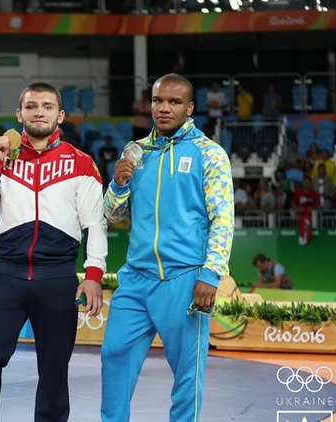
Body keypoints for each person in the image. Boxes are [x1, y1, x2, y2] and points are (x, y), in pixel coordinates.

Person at [0, 82, 108, 422]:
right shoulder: (2, 159)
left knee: (54, 370)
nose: (39, 112)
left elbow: (95, 225)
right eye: (31, 106)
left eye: (47, 106)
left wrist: (93, 276)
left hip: (58, 279)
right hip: (7, 276)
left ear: (60, 115)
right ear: (19, 114)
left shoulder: (81, 163)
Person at [101, 73, 234, 422]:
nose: (164, 108)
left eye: (174, 102)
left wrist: (210, 274)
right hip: (135, 280)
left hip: (185, 280)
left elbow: (222, 218)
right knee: (114, 354)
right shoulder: (136, 151)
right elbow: (111, 215)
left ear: (189, 108)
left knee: (187, 376)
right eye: (158, 100)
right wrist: (118, 184)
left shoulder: (209, 154)